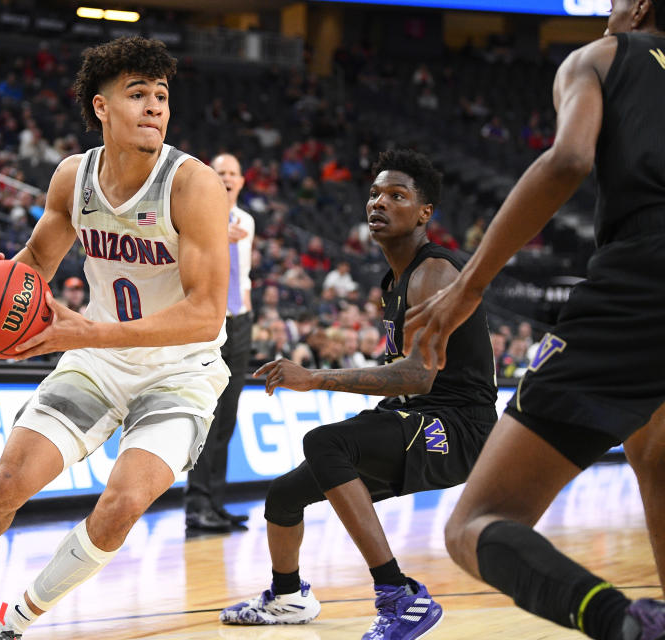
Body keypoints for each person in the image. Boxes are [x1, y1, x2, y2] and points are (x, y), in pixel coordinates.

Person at [0, 36, 230, 639]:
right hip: (96, 359)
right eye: (137, 94)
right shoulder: (74, 177)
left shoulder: (193, 184)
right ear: (101, 107)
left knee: (122, 505)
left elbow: (206, 315)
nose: (154, 106)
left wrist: (88, 328)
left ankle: (14, 620)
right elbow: (36, 263)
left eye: (161, 96)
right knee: (6, 482)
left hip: (182, 367)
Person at [403, 3, 665, 637]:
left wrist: (468, 285)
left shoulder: (604, 58)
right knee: (653, 453)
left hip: (645, 283)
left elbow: (569, 161)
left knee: (475, 524)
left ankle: (622, 623)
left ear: (641, 7)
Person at [220, 150, 497, 640]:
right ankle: (288, 597)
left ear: (424, 212)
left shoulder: (435, 271)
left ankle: (400, 596)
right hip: (419, 416)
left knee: (326, 442)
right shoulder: (393, 279)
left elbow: (417, 377)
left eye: (397, 196)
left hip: (457, 427)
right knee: (284, 495)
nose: (379, 202)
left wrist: (315, 377)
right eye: (374, 193)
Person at [184, 152, 255, 531]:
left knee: (228, 415)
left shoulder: (247, 221)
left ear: (241, 181)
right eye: (221, 172)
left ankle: (216, 500)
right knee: (204, 414)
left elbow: (244, 271)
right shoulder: (195, 214)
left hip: (240, 320)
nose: (227, 177)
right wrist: (216, 234)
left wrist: (247, 303)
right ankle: (196, 504)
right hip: (208, 321)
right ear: (210, 177)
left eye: (233, 172)